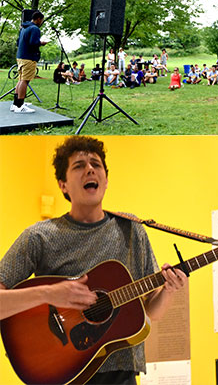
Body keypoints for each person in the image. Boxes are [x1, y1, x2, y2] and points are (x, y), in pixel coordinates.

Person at [0, 136, 186, 384]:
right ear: (63, 184)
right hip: (64, 375)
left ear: (106, 180)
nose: (89, 169)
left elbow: (150, 311)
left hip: (123, 375)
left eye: (96, 165)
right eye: (79, 166)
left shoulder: (131, 230)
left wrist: (168, 290)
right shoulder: (40, 237)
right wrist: (47, 294)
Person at [12, 10, 48, 113]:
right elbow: (33, 43)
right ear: (38, 19)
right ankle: (20, 106)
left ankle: (16, 103)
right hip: (28, 58)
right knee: (25, 80)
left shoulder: (24, 28)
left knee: (20, 79)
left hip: (20, 56)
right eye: (42, 20)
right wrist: (41, 43)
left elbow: (19, 42)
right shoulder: (35, 28)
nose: (42, 22)